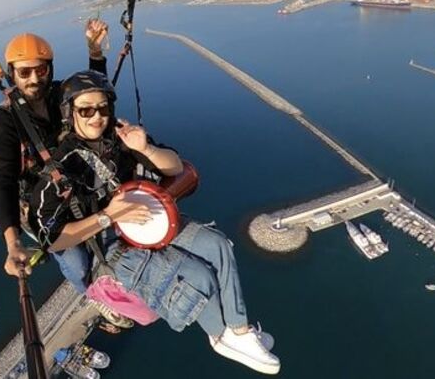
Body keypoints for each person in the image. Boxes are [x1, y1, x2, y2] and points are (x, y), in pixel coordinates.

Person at [28, 70, 281, 375]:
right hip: (109, 245)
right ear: (71, 113)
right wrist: (109, 215)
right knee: (198, 276)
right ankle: (220, 336)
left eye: (103, 108)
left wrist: (144, 148)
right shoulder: (60, 169)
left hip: (147, 222)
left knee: (217, 246)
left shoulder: (120, 140)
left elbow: (176, 167)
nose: (97, 116)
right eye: (86, 110)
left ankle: (239, 332)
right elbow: (53, 239)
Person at [0, 21, 134, 330]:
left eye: (40, 70)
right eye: (24, 72)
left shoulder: (59, 95)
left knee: (109, 237)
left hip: (79, 185)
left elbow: (93, 96)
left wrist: (95, 51)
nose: (33, 79)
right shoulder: (8, 119)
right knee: (76, 261)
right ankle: (93, 295)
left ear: (50, 69)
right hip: (44, 203)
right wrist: (12, 243)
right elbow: (4, 179)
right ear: (12, 73)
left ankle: (119, 284)